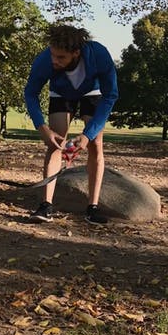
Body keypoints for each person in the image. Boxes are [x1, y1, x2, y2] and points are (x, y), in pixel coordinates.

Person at [24, 23, 118, 225]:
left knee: (95, 145)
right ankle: (45, 206)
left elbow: (111, 95)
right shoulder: (45, 61)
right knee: (54, 144)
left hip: (91, 92)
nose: (54, 61)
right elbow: (30, 93)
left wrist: (88, 134)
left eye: (60, 58)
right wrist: (42, 127)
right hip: (61, 92)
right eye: (52, 55)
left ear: (76, 53)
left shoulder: (99, 54)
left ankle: (92, 207)